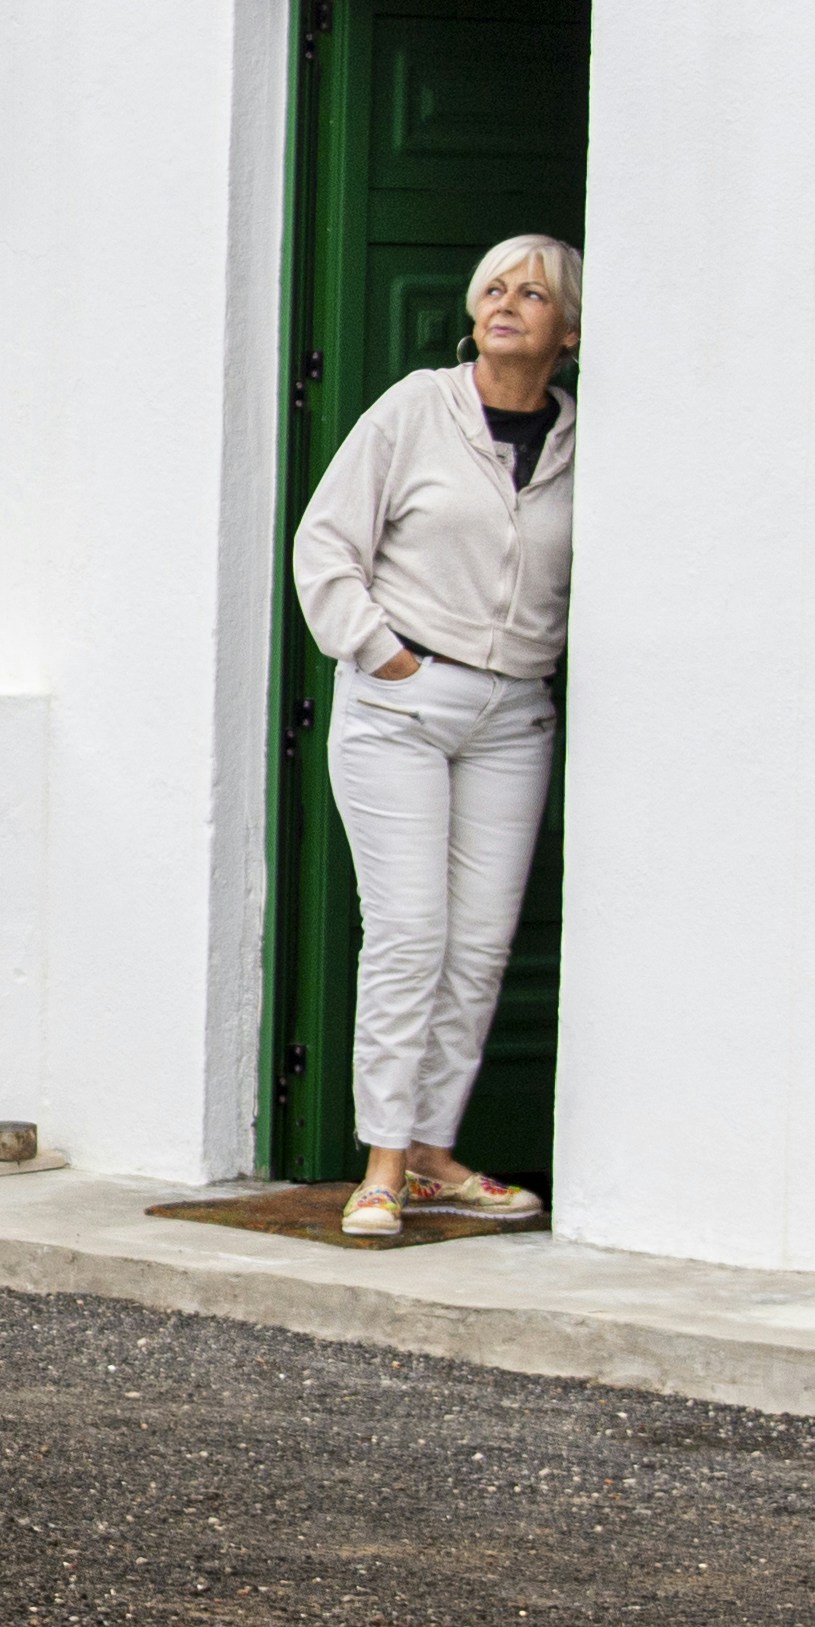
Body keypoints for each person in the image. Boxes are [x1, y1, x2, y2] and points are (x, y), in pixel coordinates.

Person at [288, 235, 581, 1244]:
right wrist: (382, 655)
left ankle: (435, 1157)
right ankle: (382, 1163)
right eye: (493, 286)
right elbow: (326, 542)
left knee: (479, 949)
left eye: (533, 293)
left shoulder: (587, 441)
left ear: (568, 332)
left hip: (515, 717)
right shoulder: (419, 408)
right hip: (403, 710)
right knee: (410, 934)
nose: (507, 302)